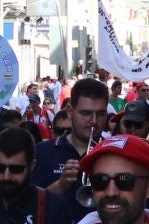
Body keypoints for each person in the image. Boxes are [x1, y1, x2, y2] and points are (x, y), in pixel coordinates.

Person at [33, 76, 111, 208]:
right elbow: (31, 206)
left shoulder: (113, 154)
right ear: (70, 111)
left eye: (101, 114)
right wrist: (60, 185)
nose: (94, 121)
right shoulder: (43, 151)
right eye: (86, 113)